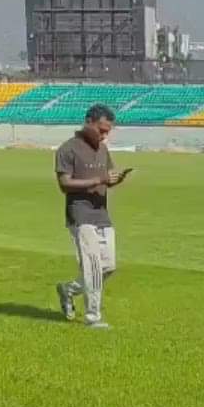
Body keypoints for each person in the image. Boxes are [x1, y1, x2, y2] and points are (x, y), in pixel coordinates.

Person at [54, 104, 131, 329]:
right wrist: (98, 181)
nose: (105, 135)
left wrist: (116, 179)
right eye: (101, 130)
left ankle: (67, 290)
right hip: (80, 213)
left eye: (108, 131)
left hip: (101, 212)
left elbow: (107, 176)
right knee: (93, 266)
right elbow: (64, 183)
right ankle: (93, 317)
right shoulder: (68, 149)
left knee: (108, 266)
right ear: (88, 122)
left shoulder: (102, 149)